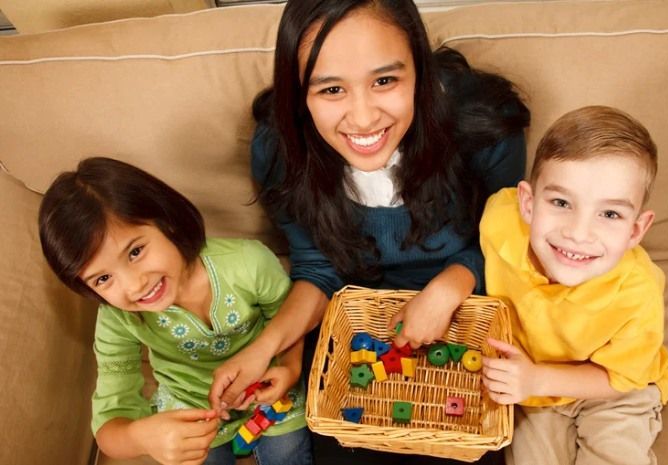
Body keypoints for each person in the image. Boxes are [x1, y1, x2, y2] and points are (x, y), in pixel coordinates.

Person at [209, 1, 528, 463]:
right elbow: (318, 268)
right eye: (331, 89)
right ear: (299, 95)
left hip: (467, 319)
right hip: (357, 333)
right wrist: (264, 350)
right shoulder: (279, 149)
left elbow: (509, 245)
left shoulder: (483, 126)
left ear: (418, 67)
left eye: (385, 81)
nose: (362, 119)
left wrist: (450, 285)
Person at [38, 157, 312, 465]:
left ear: (166, 220)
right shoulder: (116, 319)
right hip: (189, 414)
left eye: (135, 252)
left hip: (270, 395)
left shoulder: (248, 262)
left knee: (289, 453)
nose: (134, 285)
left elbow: (290, 315)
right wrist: (142, 437)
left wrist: (289, 367)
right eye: (103, 279)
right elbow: (109, 425)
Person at [480, 106, 668, 465]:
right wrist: (533, 382)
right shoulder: (499, 221)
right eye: (561, 202)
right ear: (528, 203)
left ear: (635, 230)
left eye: (610, 214)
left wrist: (539, 379)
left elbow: (619, 379)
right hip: (532, 388)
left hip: (612, 390)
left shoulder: (638, 292)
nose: (578, 233)